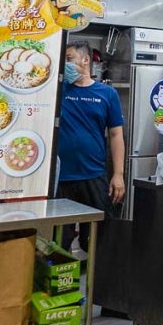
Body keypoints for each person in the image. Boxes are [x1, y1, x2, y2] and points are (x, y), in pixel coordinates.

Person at [57, 41, 125, 253]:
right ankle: (62, 284)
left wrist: (118, 174)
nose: (66, 64)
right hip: (61, 178)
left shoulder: (107, 94)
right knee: (59, 241)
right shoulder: (58, 90)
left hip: (94, 176)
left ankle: (101, 285)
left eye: (69, 59)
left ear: (85, 60)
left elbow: (116, 135)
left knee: (100, 240)